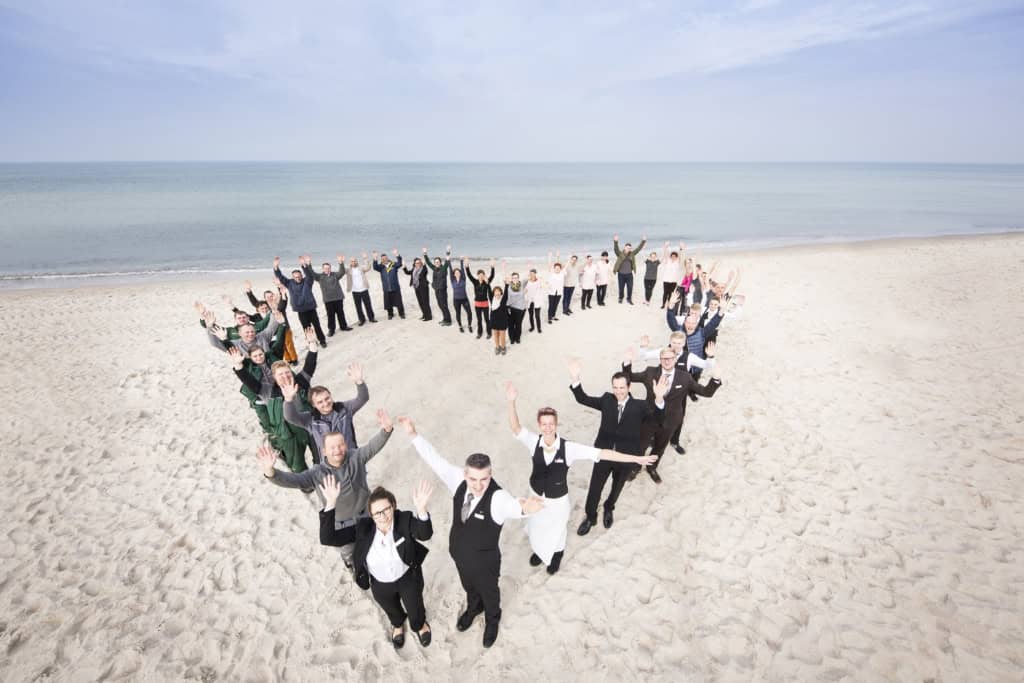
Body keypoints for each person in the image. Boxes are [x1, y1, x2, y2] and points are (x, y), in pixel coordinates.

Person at [398, 416, 543, 648]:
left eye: (484, 479)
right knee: (468, 586)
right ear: (465, 474)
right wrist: (414, 435)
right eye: (473, 478)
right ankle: (474, 607)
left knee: (490, 593)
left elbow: (516, 506)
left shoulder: (498, 498)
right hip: (460, 554)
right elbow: (435, 460)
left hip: (485, 562)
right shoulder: (458, 480)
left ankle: (492, 619)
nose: (477, 485)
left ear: (491, 474)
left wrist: (529, 507)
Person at [504, 382, 655, 574]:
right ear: (539, 425)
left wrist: (636, 458)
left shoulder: (569, 448)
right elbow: (516, 428)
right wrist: (511, 402)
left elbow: (604, 453)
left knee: (557, 530)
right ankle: (541, 552)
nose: (548, 427)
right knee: (536, 525)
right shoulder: (534, 441)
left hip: (557, 500)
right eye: (544, 424)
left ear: (556, 424)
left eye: (551, 423)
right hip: (535, 494)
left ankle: (556, 555)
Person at [257, 409, 395, 555]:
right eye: (332, 447)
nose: (337, 450)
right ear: (324, 451)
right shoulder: (317, 472)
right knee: (351, 555)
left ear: (346, 446)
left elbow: (372, 447)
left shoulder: (356, 457)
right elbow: (293, 480)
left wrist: (386, 430)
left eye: (340, 445)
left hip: (366, 516)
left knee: (377, 547)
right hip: (342, 525)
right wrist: (270, 471)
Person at [320, 477, 435, 649]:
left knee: (415, 605)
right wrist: (330, 503)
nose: (383, 516)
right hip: (380, 583)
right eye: (377, 513)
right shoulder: (363, 528)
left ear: (393, 506)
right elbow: (328, 538)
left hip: (407, 578)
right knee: (390, 606)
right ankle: (397, 624)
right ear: (371, 515)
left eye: (386, 509)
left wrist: (421, 509)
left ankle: (419, 625)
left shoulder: (404, 519)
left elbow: (425, 534)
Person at [568, 358, 667, 535]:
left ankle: (609, 507)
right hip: (603, 453)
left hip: (627, 456)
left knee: (617, 486)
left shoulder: (640, 406)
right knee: (595, 487)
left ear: (629, 387)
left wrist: (659, 398)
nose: (618, 391)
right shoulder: (607, 399)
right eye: (615, 387)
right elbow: (582, 398)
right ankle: (590, 517)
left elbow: (658, 421)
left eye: (622, 388)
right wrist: (575, 378)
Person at [622, 346, 722, 484]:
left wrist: (715, 379)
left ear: (675, 359)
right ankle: (636, 467)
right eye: (663, 358)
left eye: (670, 358)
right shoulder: (650, 372)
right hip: (649, 419)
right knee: (641, 445)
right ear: (660, 360)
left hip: (670, 420)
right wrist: (627, 362)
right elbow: (630, 377)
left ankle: (652, 468)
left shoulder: (685, 377)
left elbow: (706, 392)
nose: (667, 361)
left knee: (659, 447)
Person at [282, 362, 369, 460]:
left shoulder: (344, 409)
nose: (325, 403)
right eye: (320, 402)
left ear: (331, 396)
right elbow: (290, 417)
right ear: (313, 405)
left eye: (327, 398)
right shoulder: (310, 419)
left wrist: (359, 382)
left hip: (352, 459)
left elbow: (362, 398)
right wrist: (288, 400)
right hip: (329, 467)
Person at [274, 255, 327, 347]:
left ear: (301, 276)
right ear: (292, 277)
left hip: (311, 308)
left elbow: (310, 275)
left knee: (317, 326)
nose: (297, 278)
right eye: (295, 277)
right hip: (300, 310)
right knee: (306, 328)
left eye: (299, 276)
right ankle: (311, 342)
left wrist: (304, 265)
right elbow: (280, 276)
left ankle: (322, 340)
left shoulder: (307, 281)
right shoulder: (289, 283)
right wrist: (276, 267)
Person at [312, 255, 353, 336]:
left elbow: (342, 272)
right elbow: (312, 273)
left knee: (340, 313)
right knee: (330, 315)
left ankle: (343, 326)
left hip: (338, 298)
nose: (327, 269)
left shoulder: (335, 275)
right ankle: (331, 330)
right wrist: (308, 264)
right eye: (325, 268)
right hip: (328, 300)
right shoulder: (320, 277)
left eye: (328, 268)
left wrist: (341, 263)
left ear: (330, 268)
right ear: (323, 269)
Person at [464, 258, 496, 340]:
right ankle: (479, 332)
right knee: (479, 320)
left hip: (485, 303)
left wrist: (492, 267)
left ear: (484, 276)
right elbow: (469, 275)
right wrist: (467, 266)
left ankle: (489, 333)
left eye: (482, 275)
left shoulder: (487, 282)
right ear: (477, 276)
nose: (481, 276)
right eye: (479, 275)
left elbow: (492, 275)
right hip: (477, 304)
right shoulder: (475, 281)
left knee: (486, 319)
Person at [612, 234, 647, 305]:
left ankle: (629, 299)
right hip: (621, 274)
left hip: (629, 275)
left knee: (630, 288)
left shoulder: (632, 254)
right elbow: (616, 249)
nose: (628, 249)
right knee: (621, 288)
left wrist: (643, 241)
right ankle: (621, 298)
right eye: (627, 247)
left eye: (629, 248)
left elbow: (638, 249)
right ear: (624, 248)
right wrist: (615, 241)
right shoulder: (620, 254)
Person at [372, 250, 406, 320]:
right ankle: (390, 314)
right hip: (386, 288)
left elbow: (400, 263)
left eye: (385, 258)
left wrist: (397, 254)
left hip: (395, 287)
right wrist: (375, 258)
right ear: (381, 260)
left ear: (387, 258)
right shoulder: (380, 267)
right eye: (383, 259)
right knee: (388, 302)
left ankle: (401, 313)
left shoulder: (393, 264)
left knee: (399, 301)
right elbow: (375, 267)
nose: (384, 259)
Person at [424, 246, 453, 326]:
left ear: (440, 262)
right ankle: (445, 319)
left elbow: (447, 261)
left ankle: (448, 321)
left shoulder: (443, 268)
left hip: (442, 291)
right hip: (437, 290)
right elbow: (428, 263)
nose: (436, 263)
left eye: (438, 262)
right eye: (435, 262)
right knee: (440, 305)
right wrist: (425, 253)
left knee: (444, 305)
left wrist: (448, 251)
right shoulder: (434, 268)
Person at [346, 253, 378, 325]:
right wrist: (341, 262)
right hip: (355, 291)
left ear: (357, 261)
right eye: (352, 261)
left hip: (364, 289)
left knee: (368, 304)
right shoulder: (348, 270)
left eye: (355, 261)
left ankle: (371, 318)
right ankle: (362, 320)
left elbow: (368, 267)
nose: (353, 262)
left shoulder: (361, 268)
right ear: (350, 262)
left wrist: (365, 259)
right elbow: (341, 271)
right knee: (358, 307)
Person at [403, 255, 433, 322]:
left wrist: (424, 263)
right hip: (416, 287)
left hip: (423, 287)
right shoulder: (414, 269)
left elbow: (425, 271)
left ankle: (429, 316)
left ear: (421, 263)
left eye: (419, 262)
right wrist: (404, 266)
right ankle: (424, 314)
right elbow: (407, 272)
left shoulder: (423, 269)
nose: (417, 264)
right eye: (416, 263)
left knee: (425, 302)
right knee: (420, 302)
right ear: (414, 263)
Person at [449, 257, 472, 334]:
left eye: (458, 272)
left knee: (469, 312)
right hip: (456, 300)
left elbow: (462, 269)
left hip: (464, 299)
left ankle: (469, 325)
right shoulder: (452, 280)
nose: (457, 273)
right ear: (454, 274)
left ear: (460, 273)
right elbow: (450, 270)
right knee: (458, 313)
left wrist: (461, 261)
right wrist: (448, 261)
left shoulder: (463, 279)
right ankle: (460, 326)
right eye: (455, 272)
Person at [505, 271, 527, 345]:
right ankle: (512, 338)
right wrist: (523, 293)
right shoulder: (509, 286)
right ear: (512, 278)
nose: (515, 279)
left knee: (518, 324)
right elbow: (511, 294)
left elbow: (527, 278)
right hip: (511, 308)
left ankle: (517, 338)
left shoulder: (521, 284)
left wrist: (528, 267)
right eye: (513, 278)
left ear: (518, 278)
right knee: (511, 325)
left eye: (516, 277)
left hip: (521, 308)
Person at [660, 243, 684, 309]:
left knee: (671, 294)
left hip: (674, 281)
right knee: (665, 293)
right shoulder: (668, 261)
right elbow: (665, 254)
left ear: (676, 257)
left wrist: (681, 248)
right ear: (670, 256)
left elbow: (680, 255)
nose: (673, 257)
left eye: (675, 256)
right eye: (672, 256)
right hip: (666, 280)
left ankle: (668, 305)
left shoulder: (678, 262)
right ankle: (663, 304)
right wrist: (665, 247)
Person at [489, 285, 510, 355]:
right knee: (495, 335)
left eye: (499, 291)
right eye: (495, 291)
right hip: (494, 320)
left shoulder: (503, 300)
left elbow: (506, 294)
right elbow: (489, 291)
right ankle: (497, 347)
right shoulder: (492, 299)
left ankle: (503, 347)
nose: (497, 293)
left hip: (502, 320)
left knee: (502, 335)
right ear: (493, 293)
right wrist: (487, 283)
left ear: (501, 293)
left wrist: (506, 285)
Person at [546, 254, 565, 324]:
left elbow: (561, 265)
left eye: (558, 268)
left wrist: (558, 257)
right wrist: (550, 257)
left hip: (559, 292)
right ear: (554, 268)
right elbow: (549, 264)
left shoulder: (562, 274)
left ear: (560, 269)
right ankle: (549, 318)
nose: (557, 269)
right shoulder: (551, 273)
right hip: (551, 292)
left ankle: (553, 316)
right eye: (556, 268)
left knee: (556, 305)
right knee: (551, 305)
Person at [525, 268, 544, 333]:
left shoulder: (539, 281)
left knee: (537, 315)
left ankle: (539, 328)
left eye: (533, 273)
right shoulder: (528, 281)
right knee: (531, 315)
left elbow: (542, 287)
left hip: (537, 301)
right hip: (530, 301)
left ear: (535, 274)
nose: (532, 275)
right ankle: (532, 327)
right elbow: (526, 290)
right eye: (530, 274)